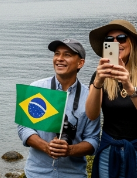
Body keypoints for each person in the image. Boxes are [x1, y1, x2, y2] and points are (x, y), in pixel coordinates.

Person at [86, 20, 137, 178]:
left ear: (132, 43)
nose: (116, 43)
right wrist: (97, 83)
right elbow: (91, 114)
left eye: (122, 38)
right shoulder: (100, 77)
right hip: (109, 150)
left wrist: (130, 87)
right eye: (110, 40)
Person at [18, 39, 100, 178]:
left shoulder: (91, 97)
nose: (59, 59)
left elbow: (93, 140)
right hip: (36, 173)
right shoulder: (36, 88)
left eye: (67, 55)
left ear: (80, 63)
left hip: (74, 174)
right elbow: (24, 128)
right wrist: (46, 146)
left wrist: (69, 150)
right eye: (57, 54)